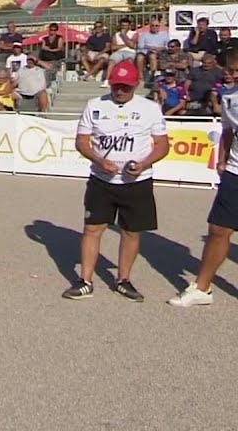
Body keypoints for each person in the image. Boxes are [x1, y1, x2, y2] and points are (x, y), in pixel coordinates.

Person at [66, 61, 169, 301]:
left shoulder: (150, 108)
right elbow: (82, 141)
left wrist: (144, 164)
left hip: (137, 181)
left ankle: (123, 280)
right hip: (101, 179)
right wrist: (99, 160)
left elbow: (163, 145)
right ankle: (85, 281)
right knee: (92, 228)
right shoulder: (94, 105)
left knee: (131, 231)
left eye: (125, 87)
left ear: (136, 85)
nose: (120, 91)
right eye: (116, 86)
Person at [171, 52, 238, 307]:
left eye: (236, 71)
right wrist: (222, 159)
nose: (232, 75)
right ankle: (202, 288)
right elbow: (228, 131)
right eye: (231, 70)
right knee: (218, 229)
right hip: (235, 171)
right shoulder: (229, 97)